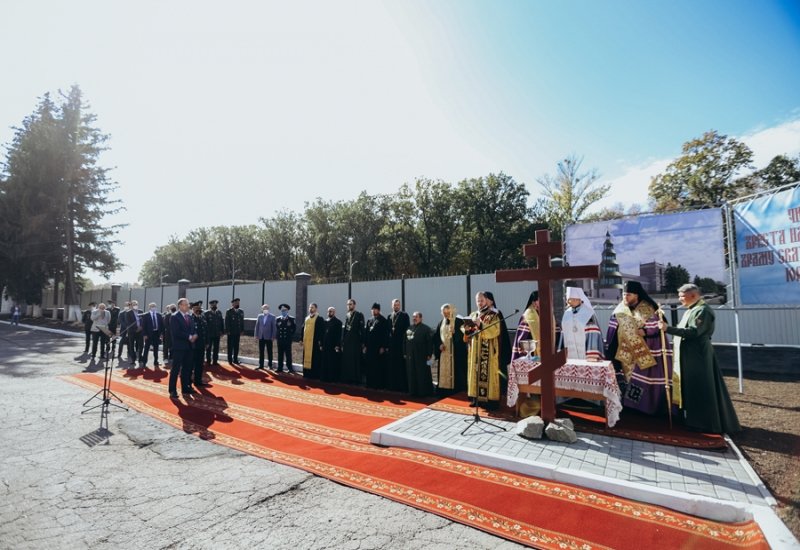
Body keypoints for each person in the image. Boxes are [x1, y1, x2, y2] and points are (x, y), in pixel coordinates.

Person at [658, 284, 741, 434]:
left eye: (682, 297)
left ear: (694, 296)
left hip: (698, 355)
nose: (680, 299)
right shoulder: (692, 310)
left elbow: (694, 332)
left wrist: (667, 329)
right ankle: (692, 419)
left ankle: (705, 423)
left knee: (700, 388)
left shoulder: (703, 311)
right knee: (691, 386)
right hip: (690, 355)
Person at [606, 281, 672, 415]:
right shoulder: (620, 309)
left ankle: (647, 408)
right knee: (627, 379)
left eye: (628, 295)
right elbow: (613, 329)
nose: (625, 297)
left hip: (645, 352)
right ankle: (630, 406)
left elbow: (660, 326)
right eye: (624, 294)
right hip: (624, 352)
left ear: (637, 295)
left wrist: (646, 332)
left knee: (643, 381)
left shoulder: (647, 308)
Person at [463, 291, 507, 409]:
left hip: (487, 351)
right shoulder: (473, 314)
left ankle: (490, 401)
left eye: (482, 300)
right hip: (474, 351)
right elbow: (467, 333)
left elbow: (495, 331)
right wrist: (467, 329)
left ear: (486, 300)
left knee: (488, 374)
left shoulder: (493, 315)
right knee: (474, 373)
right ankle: (475, 398)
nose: (480, 303)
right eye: (478, 301)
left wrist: (480, 325)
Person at [560, 286, 604, 361]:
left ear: (579, 300)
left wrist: (591, 357)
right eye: (569, 299)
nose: (569, 302)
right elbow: (563, 334)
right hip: (569, 356)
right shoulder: (566, 313)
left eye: (571, 299)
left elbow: (593, 335)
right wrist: (562, 353)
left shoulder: (588, 314)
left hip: (585, 355)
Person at [432, 303, 467, 395]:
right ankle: (443, 390)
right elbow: (436, 337)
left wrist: (455, 333)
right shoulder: (441, 323)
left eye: (447, 313)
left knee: (457, 372)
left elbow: (464, 336)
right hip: (444, 353)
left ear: (451, 311)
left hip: (456, 353)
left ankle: (457, 390)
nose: (446, 315)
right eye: (444, 313)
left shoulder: (459, 321)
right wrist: (439, 345)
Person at [169, 298, 198, 398]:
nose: (188, 306)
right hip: (179, 347)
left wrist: (194, 335)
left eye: (188, 304)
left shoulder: (189, 316)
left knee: (187, 368)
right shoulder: (174, 317)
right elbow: (176, 332)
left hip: (189, 347)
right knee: (176, 369)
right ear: (180, 306)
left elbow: (193, 328)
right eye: (185, 304)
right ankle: (172, 390)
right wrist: (189, 337)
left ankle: (185, 387)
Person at [404, 311, 434, 397]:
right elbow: (404, 342)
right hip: (410, 355)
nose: (414, 318)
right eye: (413, 317)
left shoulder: (426, 329)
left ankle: (423, 392)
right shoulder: (409, 328)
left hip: (422, 356)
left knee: (421, 374)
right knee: (411, 373)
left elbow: (429, 342)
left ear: (421, 318)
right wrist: (405, 352)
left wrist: (429, 354)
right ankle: (413, 391)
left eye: (416, 317)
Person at [363, 302, 389, 389]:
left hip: (378, 348)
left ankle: (378, 384)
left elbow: (385, 335)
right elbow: (366, 333)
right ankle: (369, 383)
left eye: (375, 309)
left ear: (379, 310)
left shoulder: (383, 320)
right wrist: (365, 345)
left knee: (377, 366)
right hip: (369, 347)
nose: (374, 311)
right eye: (372, 309)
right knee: (369, 366)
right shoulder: (369, 320)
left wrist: (383, 347)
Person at [387, 299, 411, 392]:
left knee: (401, 366)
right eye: (394, 305)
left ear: (400, 306)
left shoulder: (404, 316)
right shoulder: (389, 316)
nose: (396, 306)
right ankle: (392, 385)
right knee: (392, 366)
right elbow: (388, 331)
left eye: (397, 305)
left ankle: (402, 386)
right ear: (391, 305)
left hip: (401, 345)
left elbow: (407, 331)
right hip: (392, 345)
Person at [341, 299, 365, 385]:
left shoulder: (359, 315)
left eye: (350, 304)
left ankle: (356, 379)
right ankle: (347, 377)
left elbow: (362, 329)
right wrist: (343, 341)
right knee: (347, 360)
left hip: (356, 341)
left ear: (354, 305)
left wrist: (363, 342)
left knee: (355, 360)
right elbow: (345, 330)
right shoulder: (347, 315)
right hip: (347, 341)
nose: (349, 306)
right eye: (348, 304)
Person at [301, 303, 325, 379]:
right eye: (310, 307)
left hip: (315, 343)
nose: (311, 309)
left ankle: (314, 375)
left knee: (315, 358)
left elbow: (322, 331)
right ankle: (307, 374)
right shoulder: (306, 318)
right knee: (306, 358)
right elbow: (302, 329)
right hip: (307, 343)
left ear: (316, 309)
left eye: (313, 307)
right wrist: (301, 339)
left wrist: (320, 342)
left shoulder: (319, 318)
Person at [191, 301, 210, 388]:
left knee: (199, 364)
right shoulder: (190, 318)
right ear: (193, 309)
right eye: (196, 309)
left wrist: (207, 342)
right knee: (191, 364)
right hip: (193, 346)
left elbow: (205, 331)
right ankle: (189, 381)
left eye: (199, 309)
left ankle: (198, 381)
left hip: (201, 345)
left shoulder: (202, 318)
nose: (198, 310)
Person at [321, 307, 342, 382]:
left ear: (334, 312)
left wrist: (337, 345)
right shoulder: (325, 321)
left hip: (333, 346)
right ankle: (325, 377)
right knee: (325, 361)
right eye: (328, 311)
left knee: (332, 362)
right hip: (325, 345)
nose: (329, 313)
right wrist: (321, 345)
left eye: (331, 311)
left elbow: (339, 335)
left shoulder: (338, 322)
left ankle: (332, 378)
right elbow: (323, 333)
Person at [141, 302, 164, 368]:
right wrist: (144, 334)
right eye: (152, 306)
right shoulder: (146, 315)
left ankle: (156, 361)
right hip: (148, 334)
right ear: (149, 308)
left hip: (156, 334)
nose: (153, 307)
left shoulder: (159, 315)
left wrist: (162, 333)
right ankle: (144, 362)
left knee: (156, 348)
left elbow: (162, 325)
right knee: (146, 348)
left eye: (154, 306)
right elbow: (143, 326)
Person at [254, 304, 277, 371]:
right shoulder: (259, 316)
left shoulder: (272, 317)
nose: (265, 310)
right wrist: (256, 335)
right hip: (261, 336)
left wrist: (273, 336)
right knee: (261, 352)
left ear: (268, 309)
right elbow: (257, 326)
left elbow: (274, 328)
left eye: (266, 308)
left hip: (269, 337)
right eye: (264, 308)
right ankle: (261, 365)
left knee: (269, 351)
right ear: (262, 309)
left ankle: (270, 365)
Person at [275, 304, 296, 373]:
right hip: (280, 340)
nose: (283, 311)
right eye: (282, 310)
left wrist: (290, 336)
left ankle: (289, 368)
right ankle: (280, 367)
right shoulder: (278, 319)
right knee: (280, 354)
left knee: (288, 354)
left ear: (287, 311)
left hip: (287, 340)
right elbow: (277, 329)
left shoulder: (291, 319)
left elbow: (294, 329)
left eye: (285, 310)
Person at [204, 299, 224, 365]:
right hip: (209, 334)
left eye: (215, 304)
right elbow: (205, 324)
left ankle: (215, 361)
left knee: (216, 348)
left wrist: (222, 331)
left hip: (217, 333)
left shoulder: (219, 313)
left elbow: (221, 322)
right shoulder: (206, 313)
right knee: (208, 348)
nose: (214, 306)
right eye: (213, 304)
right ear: (210, 305)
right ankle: (208, 360)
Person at [225, 298, 245, 364]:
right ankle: (230, 360)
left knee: (236, 346)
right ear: (233, 304)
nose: (237, 304)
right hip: (231, 332)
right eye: (236, 303)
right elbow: (227, 322)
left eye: (238, 303)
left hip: (237, 332)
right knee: (230, 346)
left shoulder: (241, 311)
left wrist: (242, 330)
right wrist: (227, 330)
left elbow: (242, 322)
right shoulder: (229, 311)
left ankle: (235, 359)